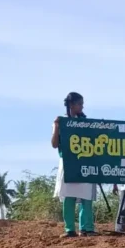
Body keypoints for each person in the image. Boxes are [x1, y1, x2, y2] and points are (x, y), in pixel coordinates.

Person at [51, 92, 96, 238]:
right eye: (80, 104)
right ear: (71, 105)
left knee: (86, 197)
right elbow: (54, 144)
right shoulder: (61, 121)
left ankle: (86, 228)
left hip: (84, 162)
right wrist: (57, 126)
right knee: (69, 197)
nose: (82, 107)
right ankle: (70, 229)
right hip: (68, 162)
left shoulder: (84, 122)